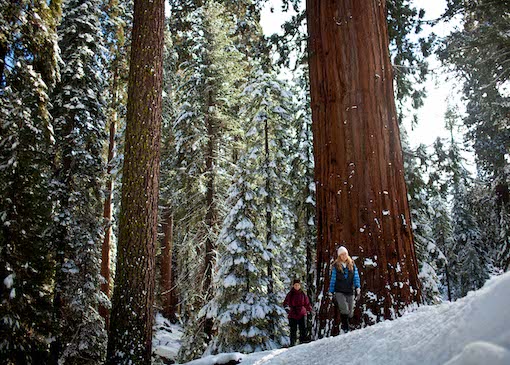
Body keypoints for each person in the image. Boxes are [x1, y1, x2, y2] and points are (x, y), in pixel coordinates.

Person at [328, 246, 361, 333]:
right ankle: (345, 328)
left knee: (350, 312)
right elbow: (333, 279)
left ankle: (350, 326)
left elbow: (356, 276)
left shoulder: (352, 264)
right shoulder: (336, 266)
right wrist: (331, 291)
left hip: (350, 290)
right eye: (342, 254)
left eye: (345, 254)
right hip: (339, 291)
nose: (344, 256)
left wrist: (358, 287)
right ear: (339, 256)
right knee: (344, 309)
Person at [283, 278, 312, 346]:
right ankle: (292, 344)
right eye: (295, 285)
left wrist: (309, 311)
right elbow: (285, 303)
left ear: (300, 286)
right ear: (293, 286)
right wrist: (287, 309)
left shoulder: (303, 294)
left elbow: (307, 303)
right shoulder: (290, 294)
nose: (297, 286)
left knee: (303, 329)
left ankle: (303, 343)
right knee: (293, 330)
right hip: (292, 314)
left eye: (298, 285)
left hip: (302, 313)